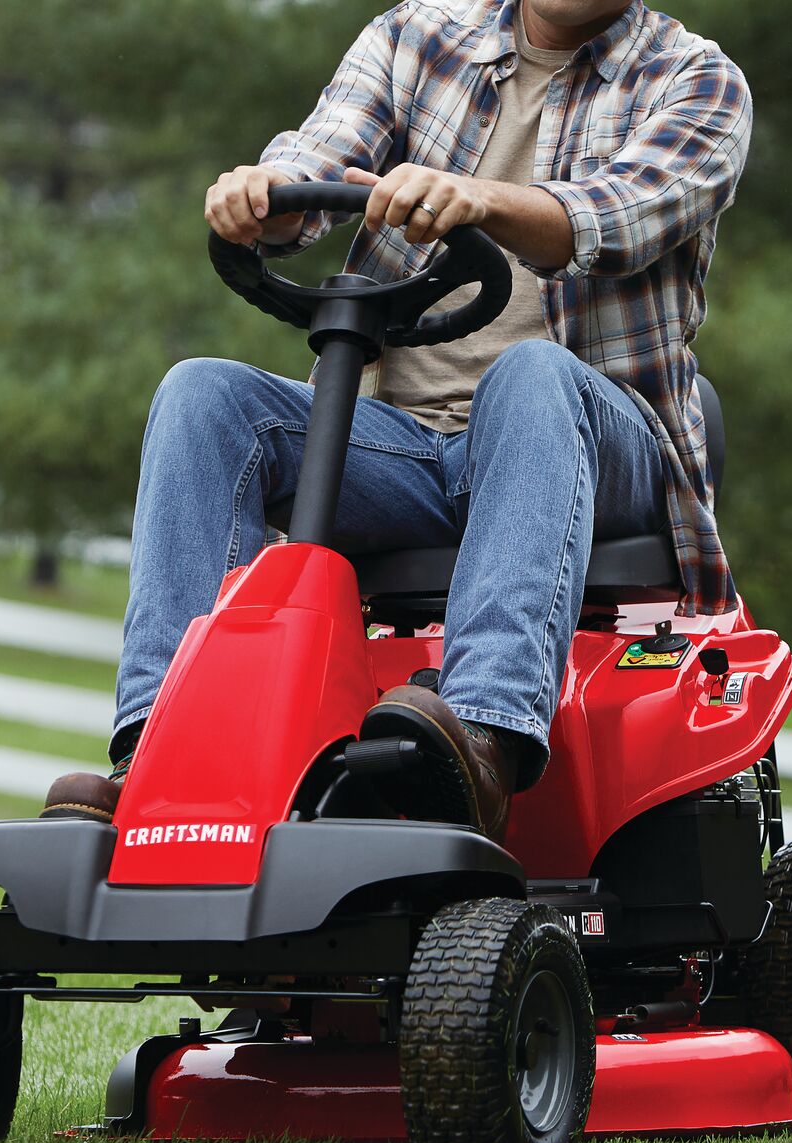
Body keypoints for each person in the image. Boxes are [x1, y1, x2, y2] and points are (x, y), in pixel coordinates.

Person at [44, 0, 751, 842]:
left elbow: (613, 217)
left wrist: (478, 200)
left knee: (530, 377)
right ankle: (159, 751)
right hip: (405, 447)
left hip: (600, 439)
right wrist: (259, 200)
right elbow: (320, 161)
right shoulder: (415, 37)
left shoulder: (697, 80)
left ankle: (483, 740)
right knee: (202, 395)